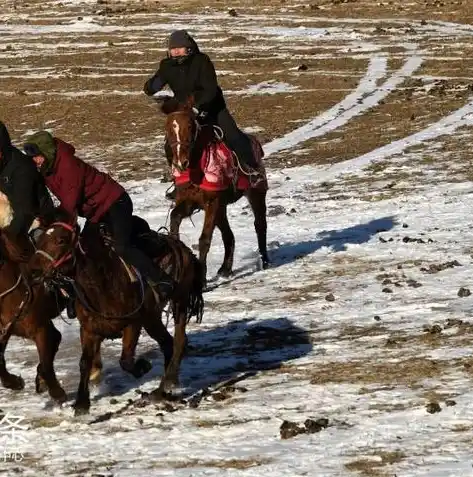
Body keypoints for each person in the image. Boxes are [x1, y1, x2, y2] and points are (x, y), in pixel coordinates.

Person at [23, 130, 174, 299]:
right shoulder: (48, 168)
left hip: (115, 202)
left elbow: (69, 204)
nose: (35, 161)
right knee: (86, 249)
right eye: (33, 158)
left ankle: (161, 279)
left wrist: (50, 219)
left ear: (47, 151)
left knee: (121, 246)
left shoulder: (67, 165)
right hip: (96, 213)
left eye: (37, 156)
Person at [143, 29, 257, 200]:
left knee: (233, 136)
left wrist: (198, 107)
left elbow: (210, 89)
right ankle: (178, 180)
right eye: (173, 49)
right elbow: (150, 88)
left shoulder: (202, 61)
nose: (176, 51)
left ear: (189, 48)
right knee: (171, 143)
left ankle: (250, 171)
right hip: (184, 111)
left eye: (180, 48)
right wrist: (153, 85)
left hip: (212, 107)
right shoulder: (167, 65)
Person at [0, 121, 55, 251]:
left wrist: (5, 239)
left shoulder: (22, 169)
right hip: (6, 218)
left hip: (34, 222)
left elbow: (24, 212)